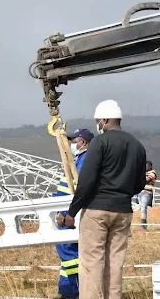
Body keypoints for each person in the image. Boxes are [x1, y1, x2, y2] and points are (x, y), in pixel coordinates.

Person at [57, 100, 146, 299]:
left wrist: (72, 212)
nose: (98, 125)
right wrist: (122, 194)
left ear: (105, 120)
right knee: (115, 265)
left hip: (97, 211)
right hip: (123, 212)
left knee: (91, 264)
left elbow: (87, 181)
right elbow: (140, 184)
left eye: (99, 121)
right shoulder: (137, 146)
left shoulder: (101, 142)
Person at [52, 128, 93, 299]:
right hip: (64, 211)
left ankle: (78, 288)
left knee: (68, 252)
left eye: (74, 142)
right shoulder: (75, 160)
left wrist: (65, 212)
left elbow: (76, 190)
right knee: (67, 256)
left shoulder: (85, 161)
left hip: (70, 214)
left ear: (83, 142)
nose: (72, 145)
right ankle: (67, 291)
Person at [138, 161, 156, 230]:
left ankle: (143, 225)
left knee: (143, 208)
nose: (145, 167)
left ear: (150, 166)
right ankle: (143, 224)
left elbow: (146, 180)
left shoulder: (152, 173)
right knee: (141, 208)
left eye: (146, 166)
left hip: (147, 193)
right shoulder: (143, 173)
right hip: (140, 192)